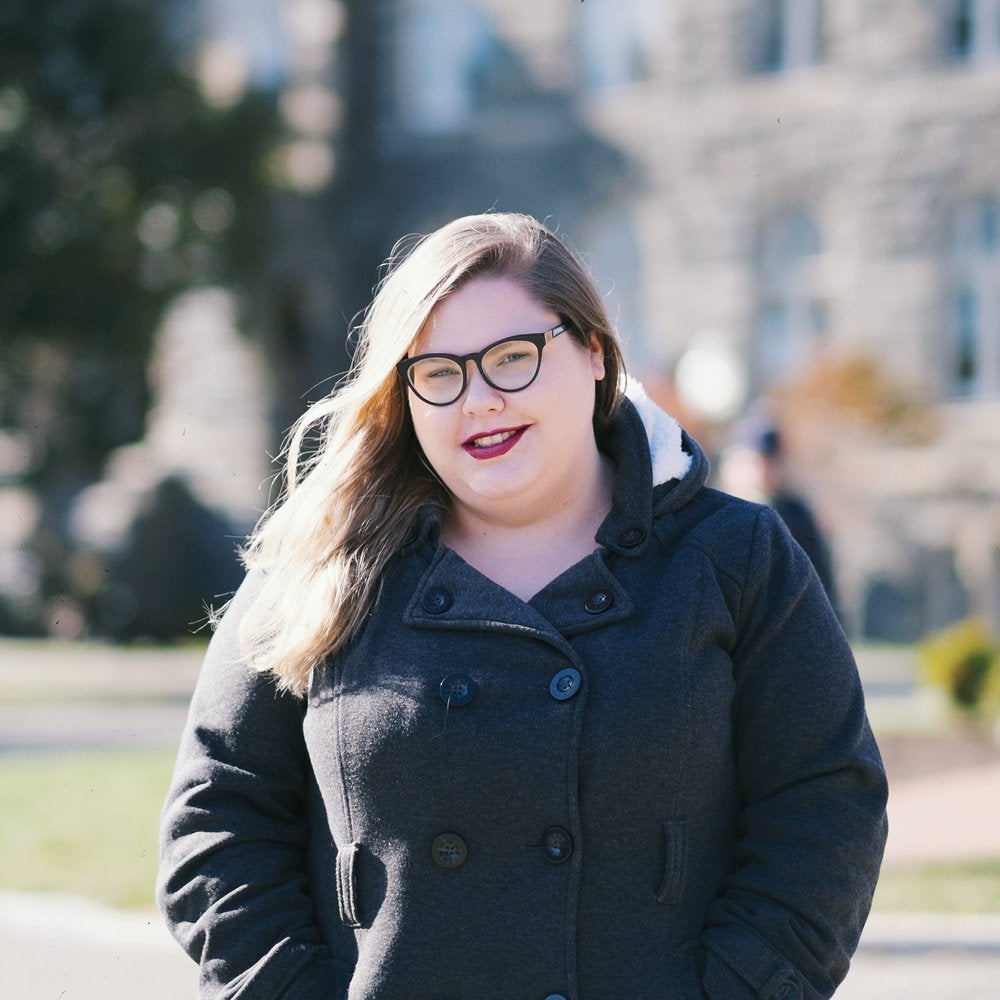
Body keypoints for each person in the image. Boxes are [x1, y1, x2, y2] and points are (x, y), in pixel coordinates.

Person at [157, 212, 888, 1000]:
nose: (479, 401)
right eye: (438, 372)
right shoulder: (322, 560)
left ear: (594, 354)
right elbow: (216, 822)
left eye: (512, 359)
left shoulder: (734, 555)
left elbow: (825, 809)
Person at [718, 419, 841, 618]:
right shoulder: (711, 514)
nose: (760, 469)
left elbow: (819, 585)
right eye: (753, 460)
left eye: (767, 460)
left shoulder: (795, 516)